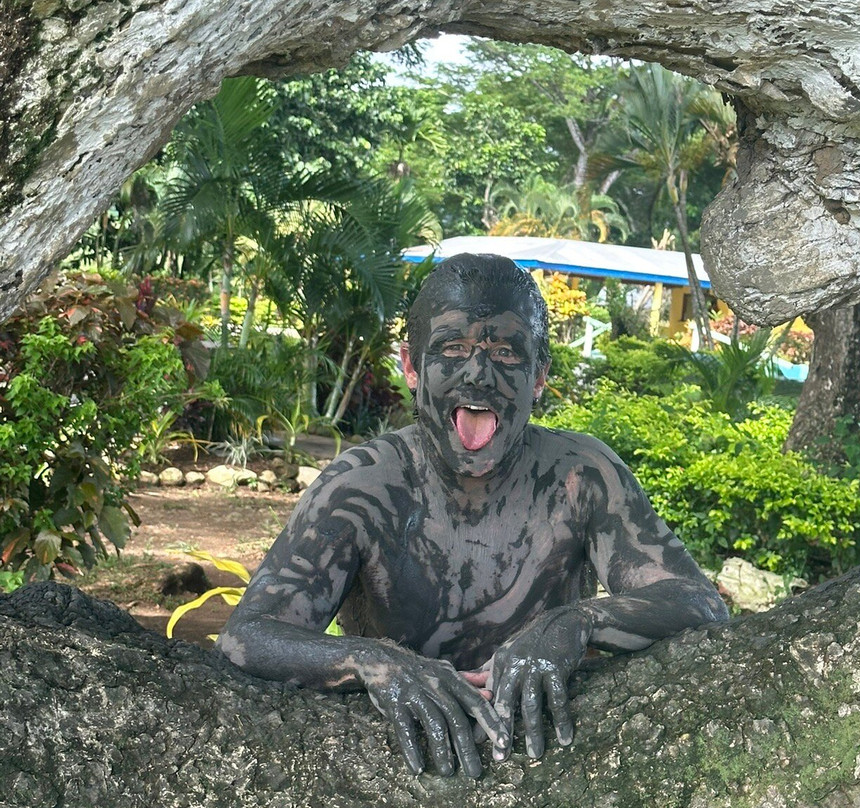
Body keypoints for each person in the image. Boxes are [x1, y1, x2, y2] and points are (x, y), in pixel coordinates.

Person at [218, 254, 727, 778]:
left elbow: (697, 603)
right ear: (411, 366)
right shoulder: (363, 485)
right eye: (452, 348)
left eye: (506, 353)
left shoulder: (581, 476)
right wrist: (376, 662)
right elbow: (247, 636)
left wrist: (575, 623)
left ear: (538, 376)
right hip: (400, 769)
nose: (479, 374)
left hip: (544, 764)